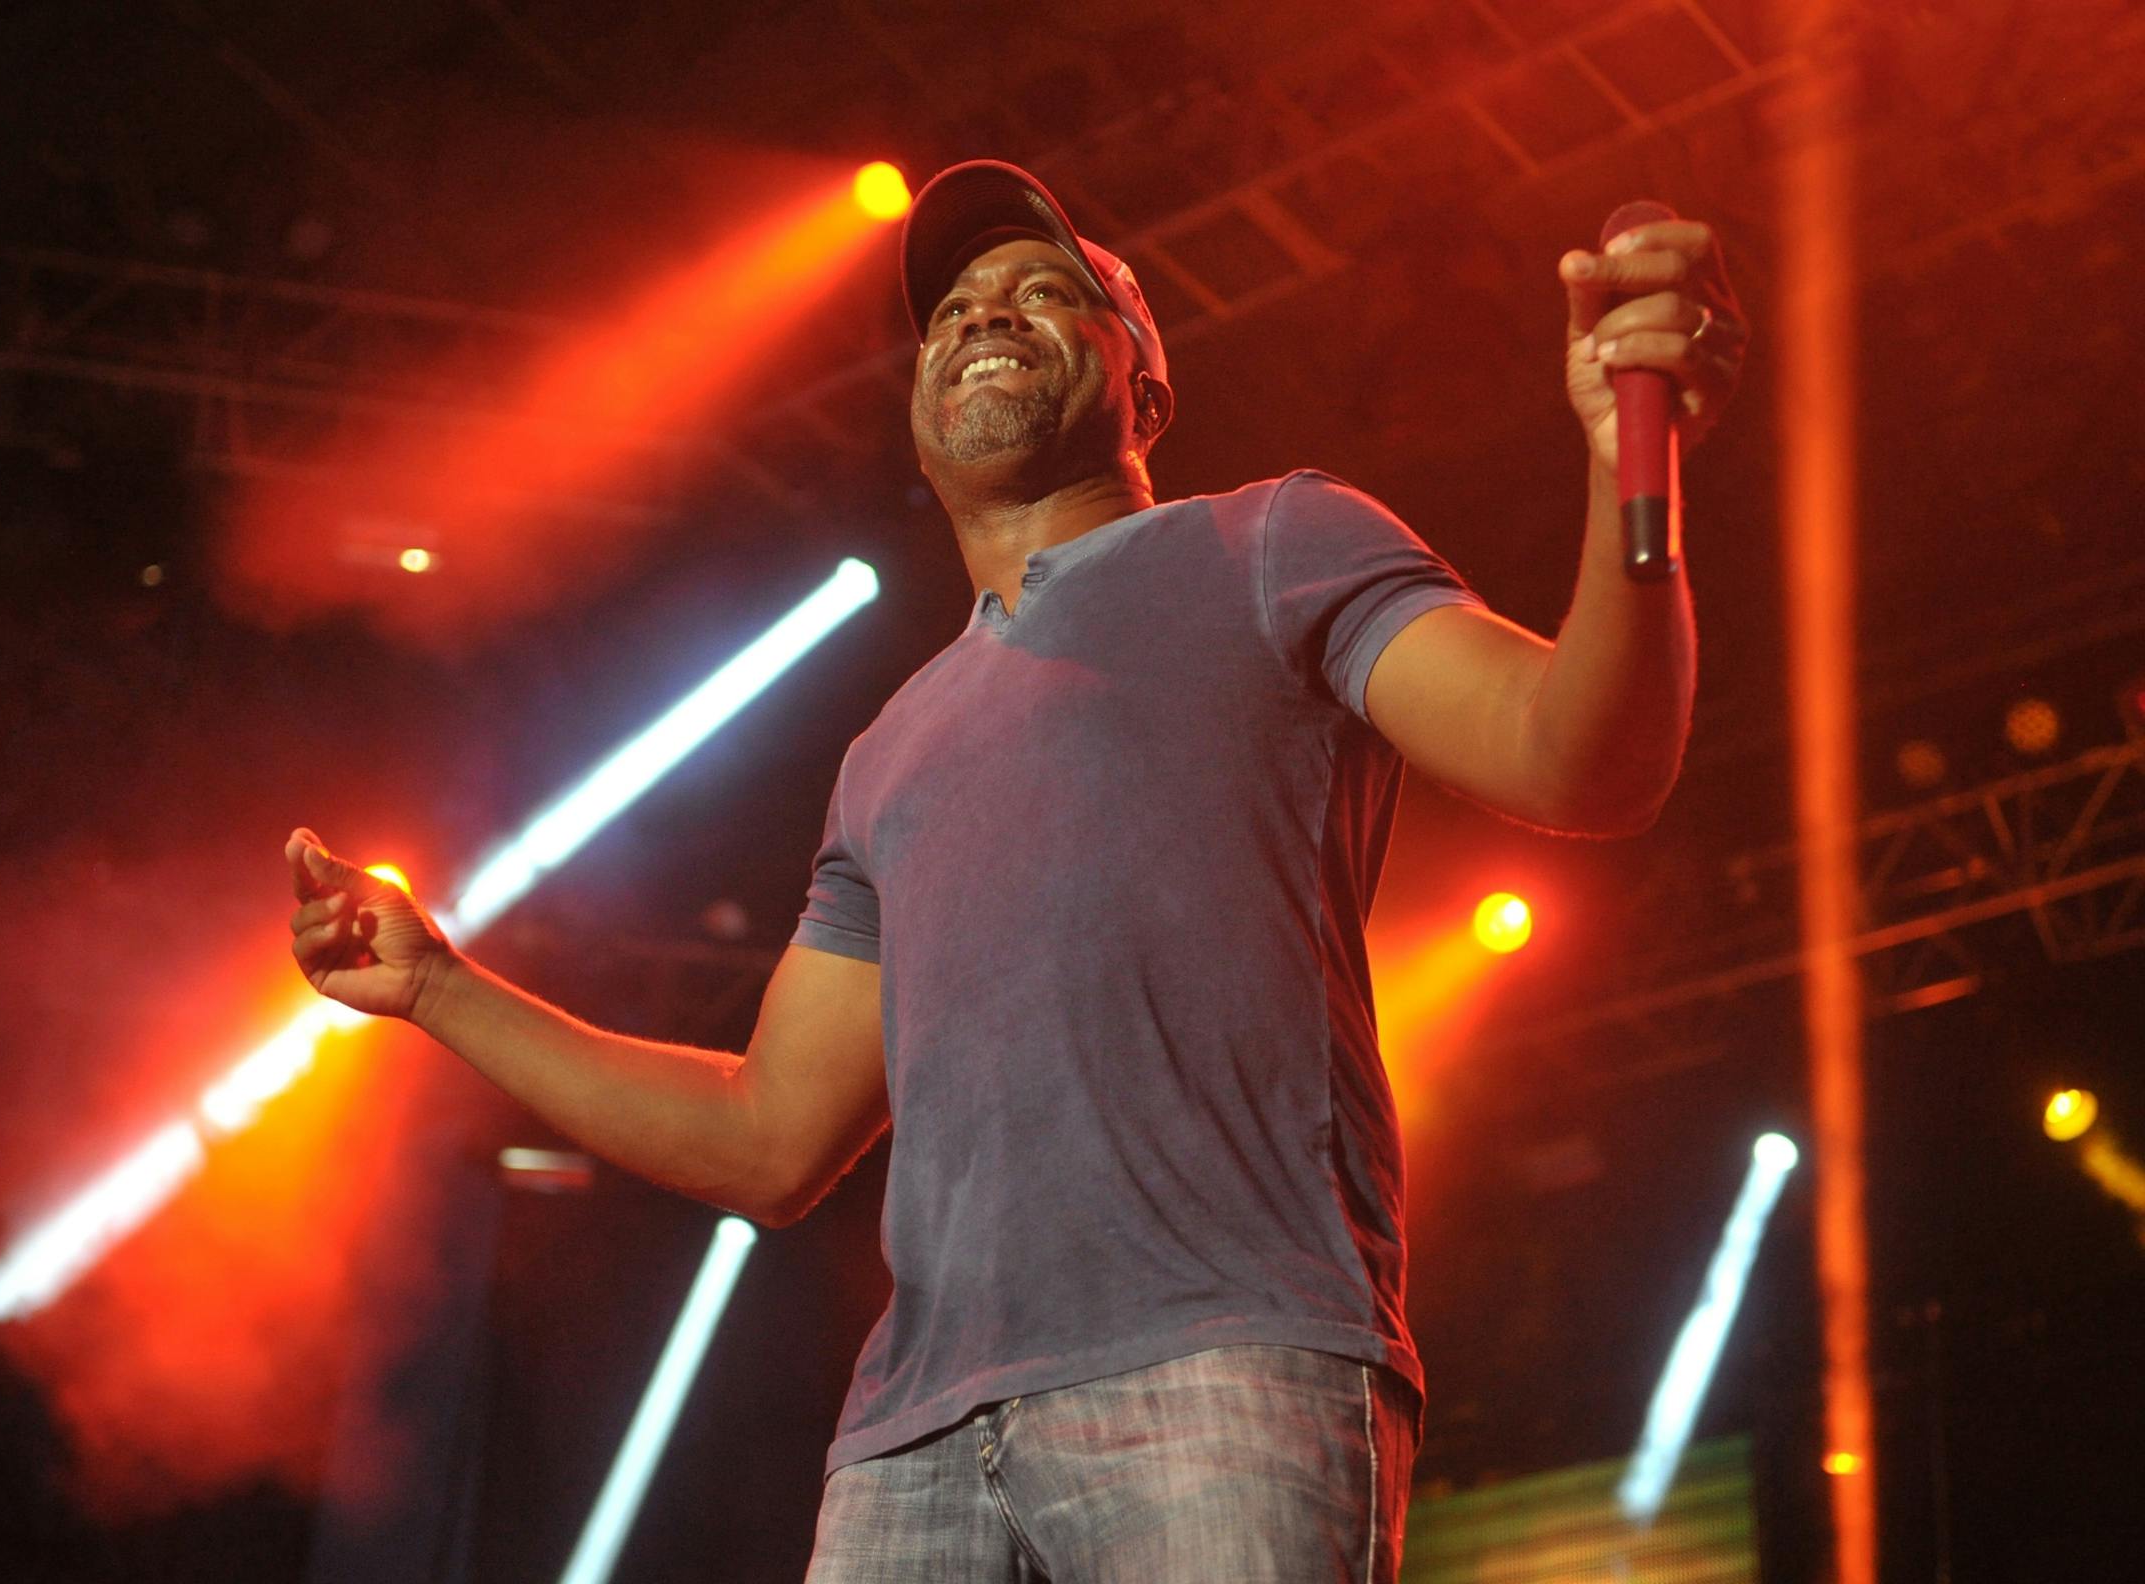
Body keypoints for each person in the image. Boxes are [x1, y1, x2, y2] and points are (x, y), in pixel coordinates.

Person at [286, 160, 1745, 1581]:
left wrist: (1635, 474)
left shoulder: (1269, 543)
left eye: (1044, 290)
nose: (983, 313)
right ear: (917, 428)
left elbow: (1577, 760)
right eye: (953, 310)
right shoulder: (888, 751)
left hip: (1220, 1365)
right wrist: (440, 986)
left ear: (1144, 386)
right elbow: (767, 1139)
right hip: (909, 1443)